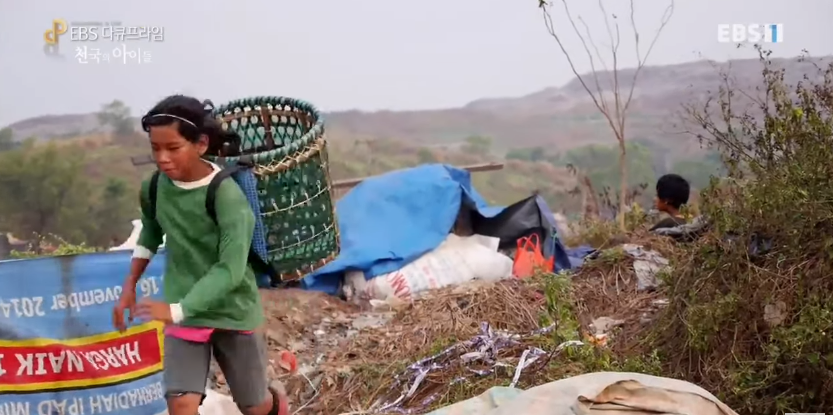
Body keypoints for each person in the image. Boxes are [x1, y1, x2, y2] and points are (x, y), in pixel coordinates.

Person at [112, 94, 288, 415]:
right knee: (181, 403)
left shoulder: (227, 196)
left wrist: (177, 310)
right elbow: (151, 232)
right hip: (185, 310)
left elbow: (230, 270)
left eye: (173, 148)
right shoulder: (154, 187)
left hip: (232, 310)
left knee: (252, 405)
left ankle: (274, 401)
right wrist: (129, 285)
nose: (162, 158)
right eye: (155, 148)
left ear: (201, 144)